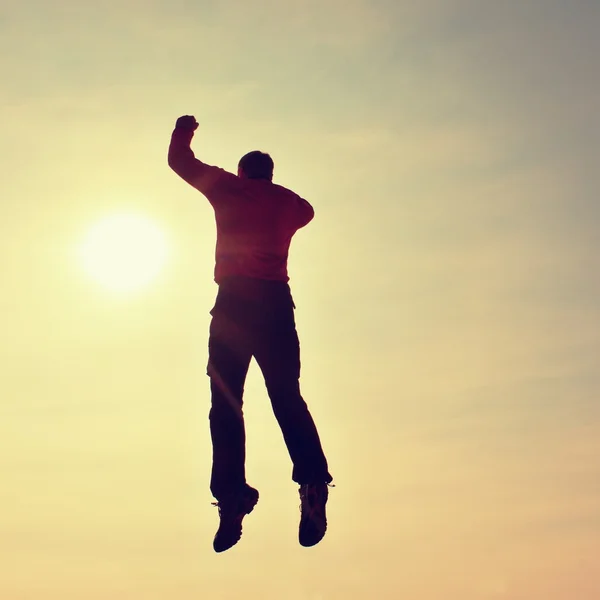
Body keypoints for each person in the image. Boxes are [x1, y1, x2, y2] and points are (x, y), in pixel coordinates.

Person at [168, 115, 333, 553]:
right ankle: (314, 483)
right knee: (286, 397)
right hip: (277, 305)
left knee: (226, 404)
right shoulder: (288, 204)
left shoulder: (227, 188)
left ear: (242, 172)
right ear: (270, 175)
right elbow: (308, 210)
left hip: (235, 306)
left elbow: (179, 161)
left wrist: (184, 129)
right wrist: (274, 194)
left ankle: (232, 496)